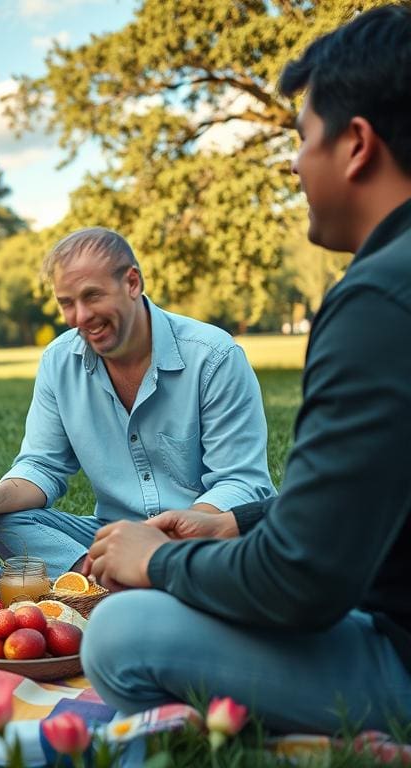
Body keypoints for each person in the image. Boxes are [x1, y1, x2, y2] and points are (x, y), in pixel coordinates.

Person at [80, 4, 411, 733]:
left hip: (396, 655)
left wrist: (158, 563)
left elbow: (303, 583)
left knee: (119, 632)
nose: (293, 163)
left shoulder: (379, 300)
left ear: (356, 145)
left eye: (302, 139)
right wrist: (235, 522)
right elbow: (378, 494)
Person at [0, 227, 275, 577]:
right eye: (67, 303)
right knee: (5, 523)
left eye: (92, 296)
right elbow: (41, 467)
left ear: (133, 283)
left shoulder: (213, 356)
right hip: (111, 536)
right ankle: (101, 581)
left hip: (202, 534)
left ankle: (137, 576)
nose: (80, 317)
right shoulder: (59, 362)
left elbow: (241, 483)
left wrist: (166, 541)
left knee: (233, 547)